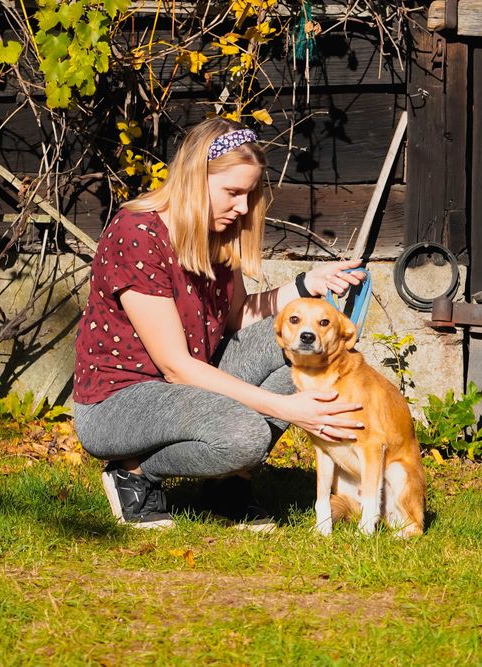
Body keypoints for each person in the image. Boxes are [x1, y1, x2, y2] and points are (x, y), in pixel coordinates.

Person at [73, 117, 367, 529]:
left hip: (185, 385)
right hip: (120, 400)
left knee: (307, 348)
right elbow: (176, 366)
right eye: (232, 192)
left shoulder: (216, 233)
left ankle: (229, 481)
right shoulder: (136, 233)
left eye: (249, 195)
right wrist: (286, 408)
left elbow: (239, 319)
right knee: (244, 437)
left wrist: (307, 284)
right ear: (195, 179)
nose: (243, 208)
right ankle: (134, 472)